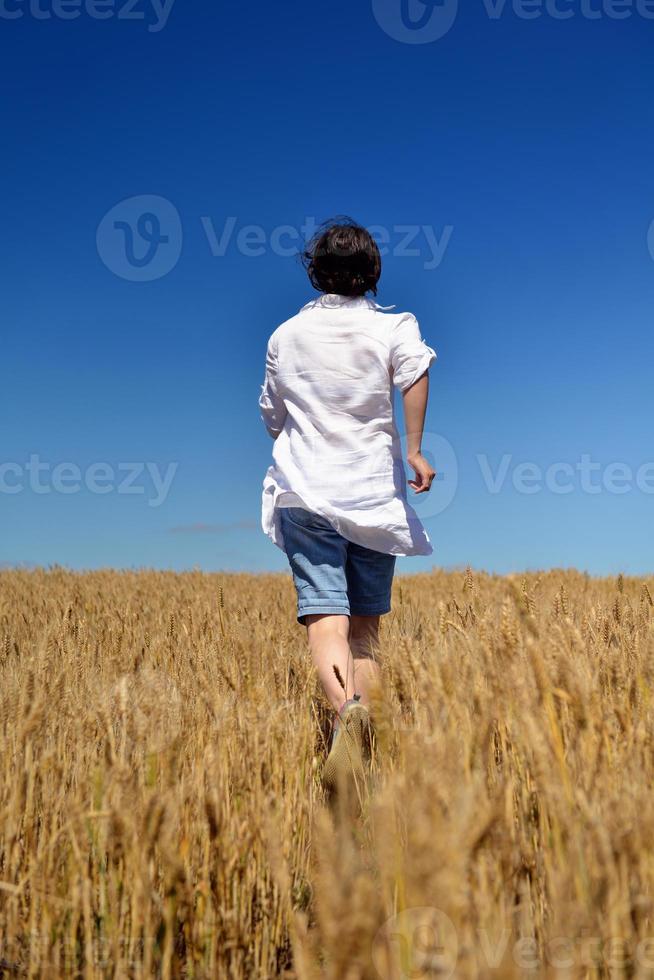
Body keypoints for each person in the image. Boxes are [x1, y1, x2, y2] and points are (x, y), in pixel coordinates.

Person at [259, 218, 436, 791]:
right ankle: (374, 752)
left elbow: (271, 413)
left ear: (316, 271)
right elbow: (416, 372)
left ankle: (345, 715)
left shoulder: (285, 335)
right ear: (372, 272)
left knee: (324, 619)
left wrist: (305, 431)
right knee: (365, 631)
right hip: (370, 496)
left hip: (305, 490)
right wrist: (413, 449)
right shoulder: (393, 327)